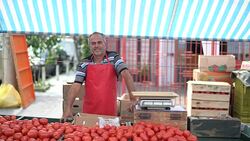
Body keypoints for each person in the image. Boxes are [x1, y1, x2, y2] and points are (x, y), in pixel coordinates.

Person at [62, 32, 136, 121]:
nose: (96, 45)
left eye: (99, 42)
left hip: (109, 113)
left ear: (105, 43)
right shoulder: (84, 63)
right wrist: (68, 108)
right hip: (89, 113)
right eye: (93, 43)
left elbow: (125, 73)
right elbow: (76, 84)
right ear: (90, 46)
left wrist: (133, 99)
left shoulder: (114, 58)